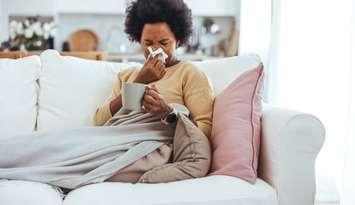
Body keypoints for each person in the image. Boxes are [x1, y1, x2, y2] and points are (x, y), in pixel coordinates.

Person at [93, 0, 214, 183]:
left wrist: (168, 114)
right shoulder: (128, 76)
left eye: (164, 42)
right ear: (137, 40)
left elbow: (204, 131)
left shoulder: (189, 74)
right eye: (147, 42)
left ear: (178, 40)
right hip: (114, 144)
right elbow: (100, 122)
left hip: (152, 150)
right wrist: (139, 81)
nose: (155, 50)